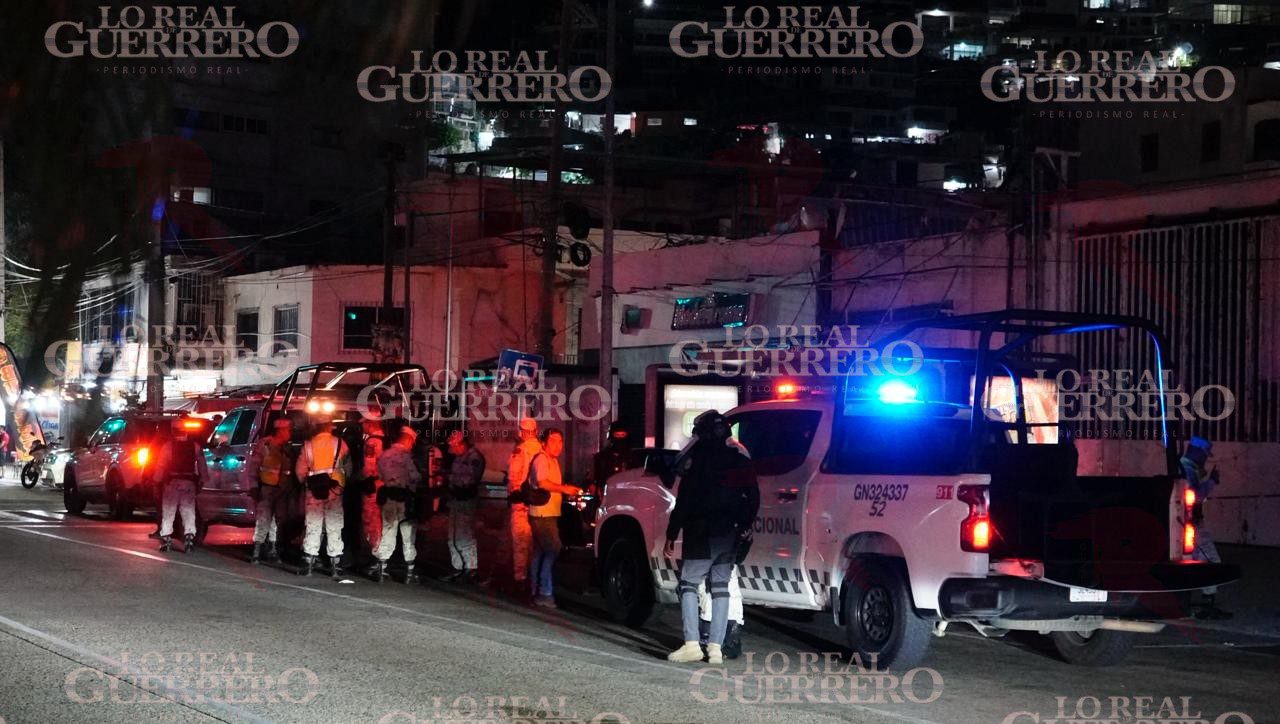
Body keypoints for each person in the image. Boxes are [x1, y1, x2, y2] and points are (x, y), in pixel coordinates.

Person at [663, 410, 759, 665]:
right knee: (720, 589)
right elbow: (753, 496)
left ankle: (692, 644)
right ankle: (716, 649)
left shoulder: (699, 462)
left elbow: (684, 501)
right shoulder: (738, 459)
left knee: (688, 585)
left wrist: (672, 533)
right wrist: (744, 526)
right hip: (729, 535)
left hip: (701, 533)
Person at [526, 429, 583, 608]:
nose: (558, 445)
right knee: (553, 550)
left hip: (547, 513)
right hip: (542, 514)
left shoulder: (552, 460)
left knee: (540, 552)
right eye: (553, 441)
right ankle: (544, 592)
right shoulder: (542, 459)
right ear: (544, 442)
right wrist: (565, 489)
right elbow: (543, 483)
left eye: (560, 441)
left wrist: (566, 492)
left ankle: (535, 589)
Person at [1181, 437, 1231, 620]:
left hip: (1187, 524)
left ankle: (1189, 602)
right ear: (1198, 452)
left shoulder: (1186, 468)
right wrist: (1211, 482)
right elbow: (1195, 496)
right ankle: (1207, 606)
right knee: (1210, 561)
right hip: (1192, 524)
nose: (1205, 460)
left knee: (1193, 563)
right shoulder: (1187, 470)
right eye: (1205, 456)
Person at [295, 418, 350, 578]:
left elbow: (300, 471)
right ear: (330, 427)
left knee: (313, 526)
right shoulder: (341, 444)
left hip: (314, 490)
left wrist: (306, 483)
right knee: (334, 526)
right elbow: (348, 467)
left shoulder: (308, 445)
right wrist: (341, 484)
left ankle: (309, 563)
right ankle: (335, 565)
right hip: (334, 491)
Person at [371, 426, 424, 583]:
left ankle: (381, 568)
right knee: (408, 536)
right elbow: (415, 477)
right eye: (412, 442)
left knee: (388, 532)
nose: (412, 445)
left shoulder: (383, 455)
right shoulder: (407, 457)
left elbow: (379, 475)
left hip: (388, 498)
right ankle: (409, 573)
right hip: (405, 500)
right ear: (408, 439)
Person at [154, 419, 209, 553]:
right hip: (189, 483)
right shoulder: (195, 446)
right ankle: (189, 537)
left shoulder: (168, 446)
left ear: (173, 431)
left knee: (169, 511)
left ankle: (166, 538)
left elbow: (161, 466)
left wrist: (156, 480)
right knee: (188, 510)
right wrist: (203, 479)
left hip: (172, 483)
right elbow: (202, 465)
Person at [245, 417, 293, 564]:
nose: (290, 433)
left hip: (281, 489)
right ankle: (257, 550)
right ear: (281, 430)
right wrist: (253, 486)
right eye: (288, 430)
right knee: (263, 519)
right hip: (266, 488)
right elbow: (253, 467)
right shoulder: (265, 444)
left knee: (277, 521)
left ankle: (272, 549)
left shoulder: (287, 448)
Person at [505, 417, 542, 594]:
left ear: (523, 431)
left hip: (520, 503)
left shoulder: (520, 450)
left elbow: (513, 476)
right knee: (534, 544)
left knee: (520, 542)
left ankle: (520, 581)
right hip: (538, 504)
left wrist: (513, 493)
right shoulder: (542, 449)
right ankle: (535, 581)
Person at [444, 430, 485, 582]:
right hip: (456, 499)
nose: (452, 450)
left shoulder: (474, 458)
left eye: (454, 447)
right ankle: (457, 567)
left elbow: (470, 480)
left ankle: (471, 568)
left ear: (461, 444)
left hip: (466, 499)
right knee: (452, 536)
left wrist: (456, 485)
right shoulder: (459, 458)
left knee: (465, 535)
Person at [359, 417, 387, 563]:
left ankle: (376, 555)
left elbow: (369, 468)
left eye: (363, 423)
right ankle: (381, 554)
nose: (362, 426)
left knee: (372, 520)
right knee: (381, 520)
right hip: (383, 486)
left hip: (372, 486)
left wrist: (362, 480)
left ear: (370, 423)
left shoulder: (372, 441)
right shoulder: (386, 439)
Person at [592, 421, 635, 487]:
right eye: (617, 435)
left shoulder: (633, 457)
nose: (620, 438)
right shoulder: (601, 457)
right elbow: (594, 478)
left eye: (623, 435)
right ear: (611, 436)